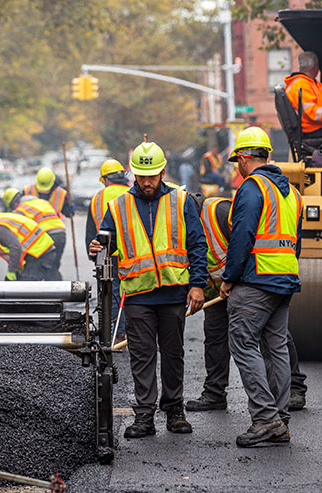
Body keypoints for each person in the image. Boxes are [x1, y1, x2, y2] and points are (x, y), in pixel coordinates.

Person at [89, 142, 208, 439]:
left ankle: (174, 411)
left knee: (173, 354)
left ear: (163, 172)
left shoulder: (181, 201)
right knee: (142, 356)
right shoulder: (117, 207)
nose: (146, 183)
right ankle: (144, 416)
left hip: (173, 293)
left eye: (152, 176)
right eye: (141, 176)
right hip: (138, 295)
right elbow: (108, 246)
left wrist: (197, 284)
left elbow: (197, 244)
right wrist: (98, 250)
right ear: (133, 174)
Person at [219, 127, 304, 448]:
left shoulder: (252, 188)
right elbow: (296, 241)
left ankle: (266, 419)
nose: (236, 167)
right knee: (276, 347)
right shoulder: (291, 193)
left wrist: (229, 278)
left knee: (242, 344)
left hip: (256, 281)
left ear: (243, 157)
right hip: (284, 280)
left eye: (236, 161)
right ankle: (279, 419)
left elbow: (241, 237)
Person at [184, 194, 232, 412]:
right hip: (215, 293)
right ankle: (214, 393)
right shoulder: (181, 223)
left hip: (242, 286)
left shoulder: (219, 211)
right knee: (214, 339)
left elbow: (248, 244)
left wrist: (236, 280)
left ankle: (294, 388)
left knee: (265, 335)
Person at [86, 159, 131, 341]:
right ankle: (131, 332)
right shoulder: (131, 193)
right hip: (132, 253)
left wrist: (93, 255)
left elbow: (91, 231)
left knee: (111, 293)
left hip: (108, 254)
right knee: (131, 292)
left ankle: (116, 333)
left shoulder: (98, 198)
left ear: (104, 179)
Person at [3, 188, 67, 281]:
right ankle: (59, 291)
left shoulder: (21, 209)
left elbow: (21, 234)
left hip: (46, 237)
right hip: (61, 234)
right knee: (52, 266)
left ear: (14, 203)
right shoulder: (41, 202)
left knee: (37, 268)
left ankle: (38, 289)